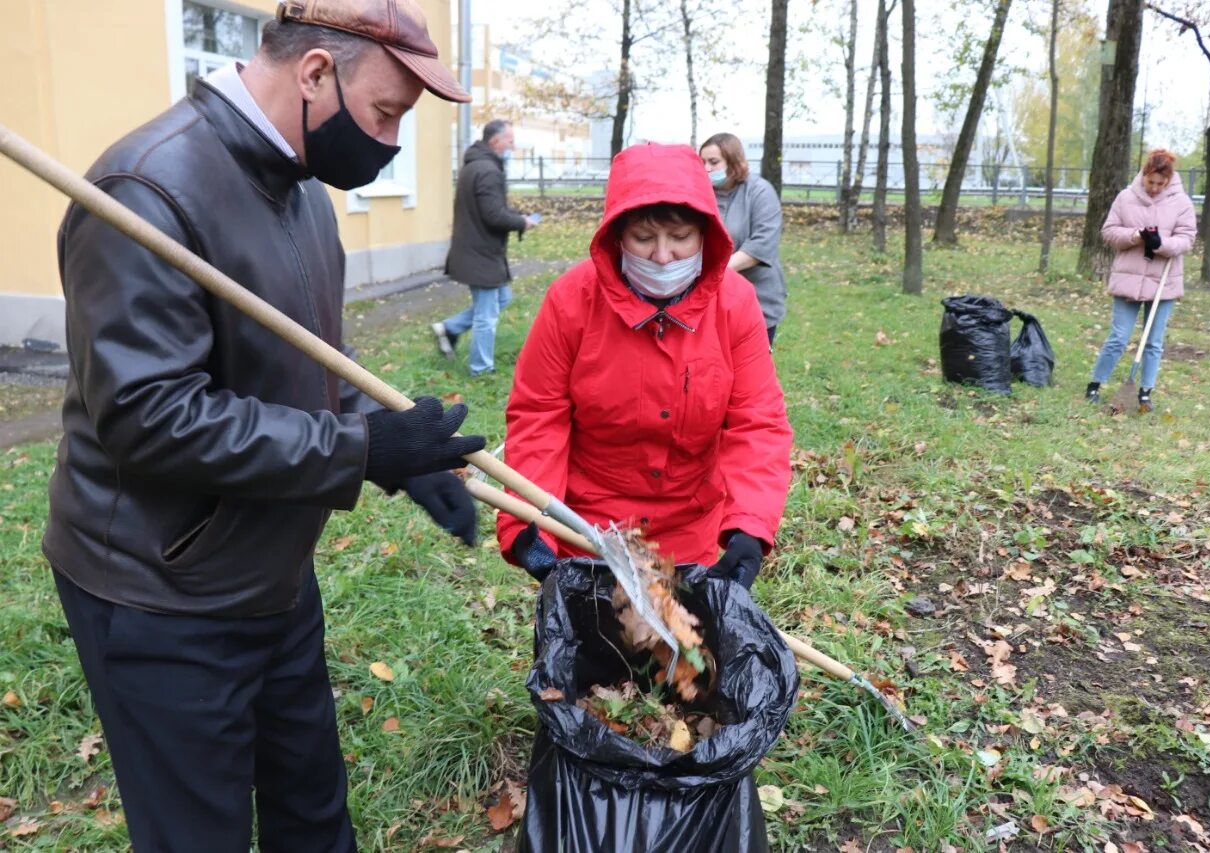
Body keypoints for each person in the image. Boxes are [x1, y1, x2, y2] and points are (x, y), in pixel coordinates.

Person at [42, 3, 486, 850]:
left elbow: (317, 364)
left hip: (270, 567)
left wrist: (397, 448)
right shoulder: (146, 189)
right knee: (196, 833)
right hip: (159, 587)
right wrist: (357, 451)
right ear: (316, 72)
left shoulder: (302, 192)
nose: (389, 142)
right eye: (385, 112)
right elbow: (149, 418)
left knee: (312, 811)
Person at [495, 142, 793, 589]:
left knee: (680, 654)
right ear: (617, 235)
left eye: (680, 238)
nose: (662, 255)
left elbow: (758, 421)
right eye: (643, 238)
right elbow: (540, 417)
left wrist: (749, 527)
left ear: (705, 235)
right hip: (588, 530)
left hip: (690, 530)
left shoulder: (735, 304)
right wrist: (528, 522)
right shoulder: (571, 302)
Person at [1087, 148, 1197, 412]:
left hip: (1163, 282)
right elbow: (1109, 232)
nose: (1156, 188)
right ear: (1144, 175)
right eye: (1151, 182)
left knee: (1154, 341)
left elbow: (1188, 238)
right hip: (1129, 279)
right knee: (1118, 337)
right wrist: (1135, 236)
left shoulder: (1182, 203)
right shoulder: (1125, 198)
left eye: (1161, 183)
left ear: (1169, 180)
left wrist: (1163, 243)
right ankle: (1095, 384)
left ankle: (1145, 392)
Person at [434, 119, 537, 376]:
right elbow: (493, 216)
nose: (512, 146)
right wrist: (522, 222)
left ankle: (449, 328)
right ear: (495, 141)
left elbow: (489, 210)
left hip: (477, 250)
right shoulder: (488, 170)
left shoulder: (476, 165)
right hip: (480, 253)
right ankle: (481, 369)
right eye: (510, 141)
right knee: (487, 315)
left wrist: (516, 215)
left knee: (502, 298)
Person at [699, 132, 787, 346]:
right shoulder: (701, 193)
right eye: (702, 162)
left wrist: (716, 273)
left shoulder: (759, 191)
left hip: (758, 297)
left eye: (713, 162)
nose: (706, 168)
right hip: (709, 300)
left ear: (733, 161)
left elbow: (762, 243)